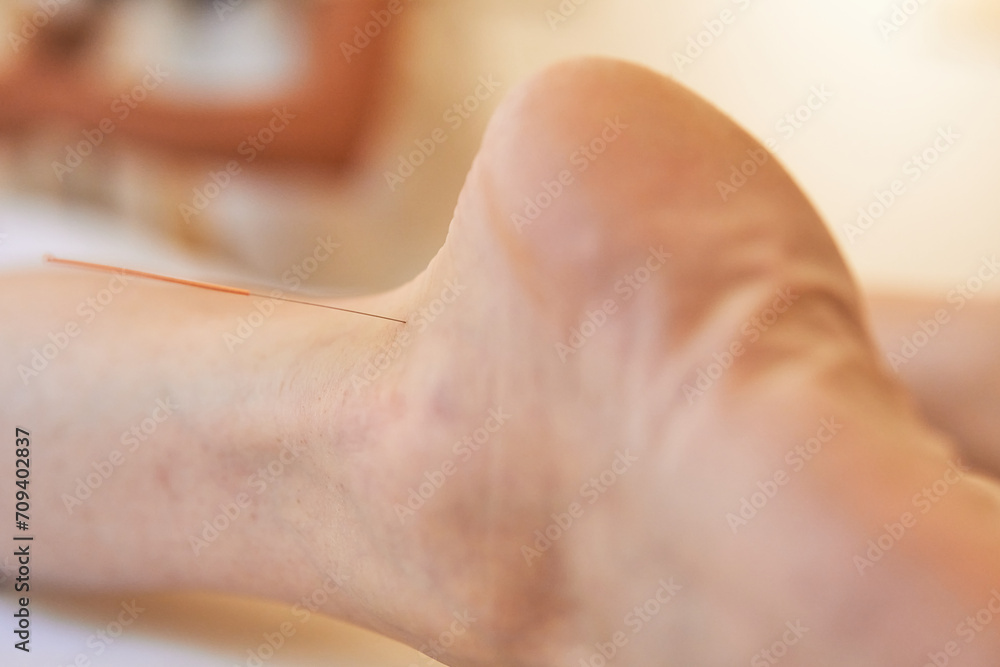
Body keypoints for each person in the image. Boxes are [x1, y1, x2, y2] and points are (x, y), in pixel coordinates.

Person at [3, 55, 1000, 665]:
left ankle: (446, 437)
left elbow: (333, 130)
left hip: (411, 255)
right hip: (456, 285)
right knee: (743, 352)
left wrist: (51, 98)